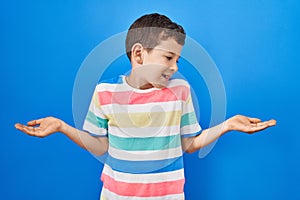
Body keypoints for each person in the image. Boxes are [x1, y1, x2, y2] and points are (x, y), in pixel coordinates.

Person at [15, 13, 276, 200]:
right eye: (168, 57)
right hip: (116, 194)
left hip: (169, 195)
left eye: (178, 59)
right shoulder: (105, 92)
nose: (175, 67)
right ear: (139, 54)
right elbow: (101, 146)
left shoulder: (180, 91)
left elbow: (188, 144)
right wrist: (61, 127)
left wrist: (227, 125)